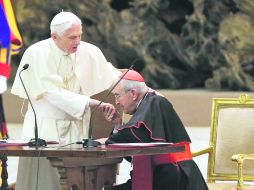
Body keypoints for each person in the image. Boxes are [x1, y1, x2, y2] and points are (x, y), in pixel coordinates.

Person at [11, 11, 120, 190]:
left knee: (77, 181)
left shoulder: (89, 50)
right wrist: (89, 102)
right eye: (72, 38)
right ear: (55, 37)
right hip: (44, 130)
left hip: (77, 129)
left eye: (79, 35)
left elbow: (113, 76)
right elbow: (51, 92)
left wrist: (143, 90)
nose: (77, 41)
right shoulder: (37, 53)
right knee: (44, 181)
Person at [101, 70, 209, 190]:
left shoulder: (155, 103)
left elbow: (134, 136)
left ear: (133, 93)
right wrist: (118, 124)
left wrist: (106, 140)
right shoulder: (149, 103)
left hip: (174, 179)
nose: (116, 102)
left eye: (117, 96)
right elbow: (135, 149)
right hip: (161, 174)